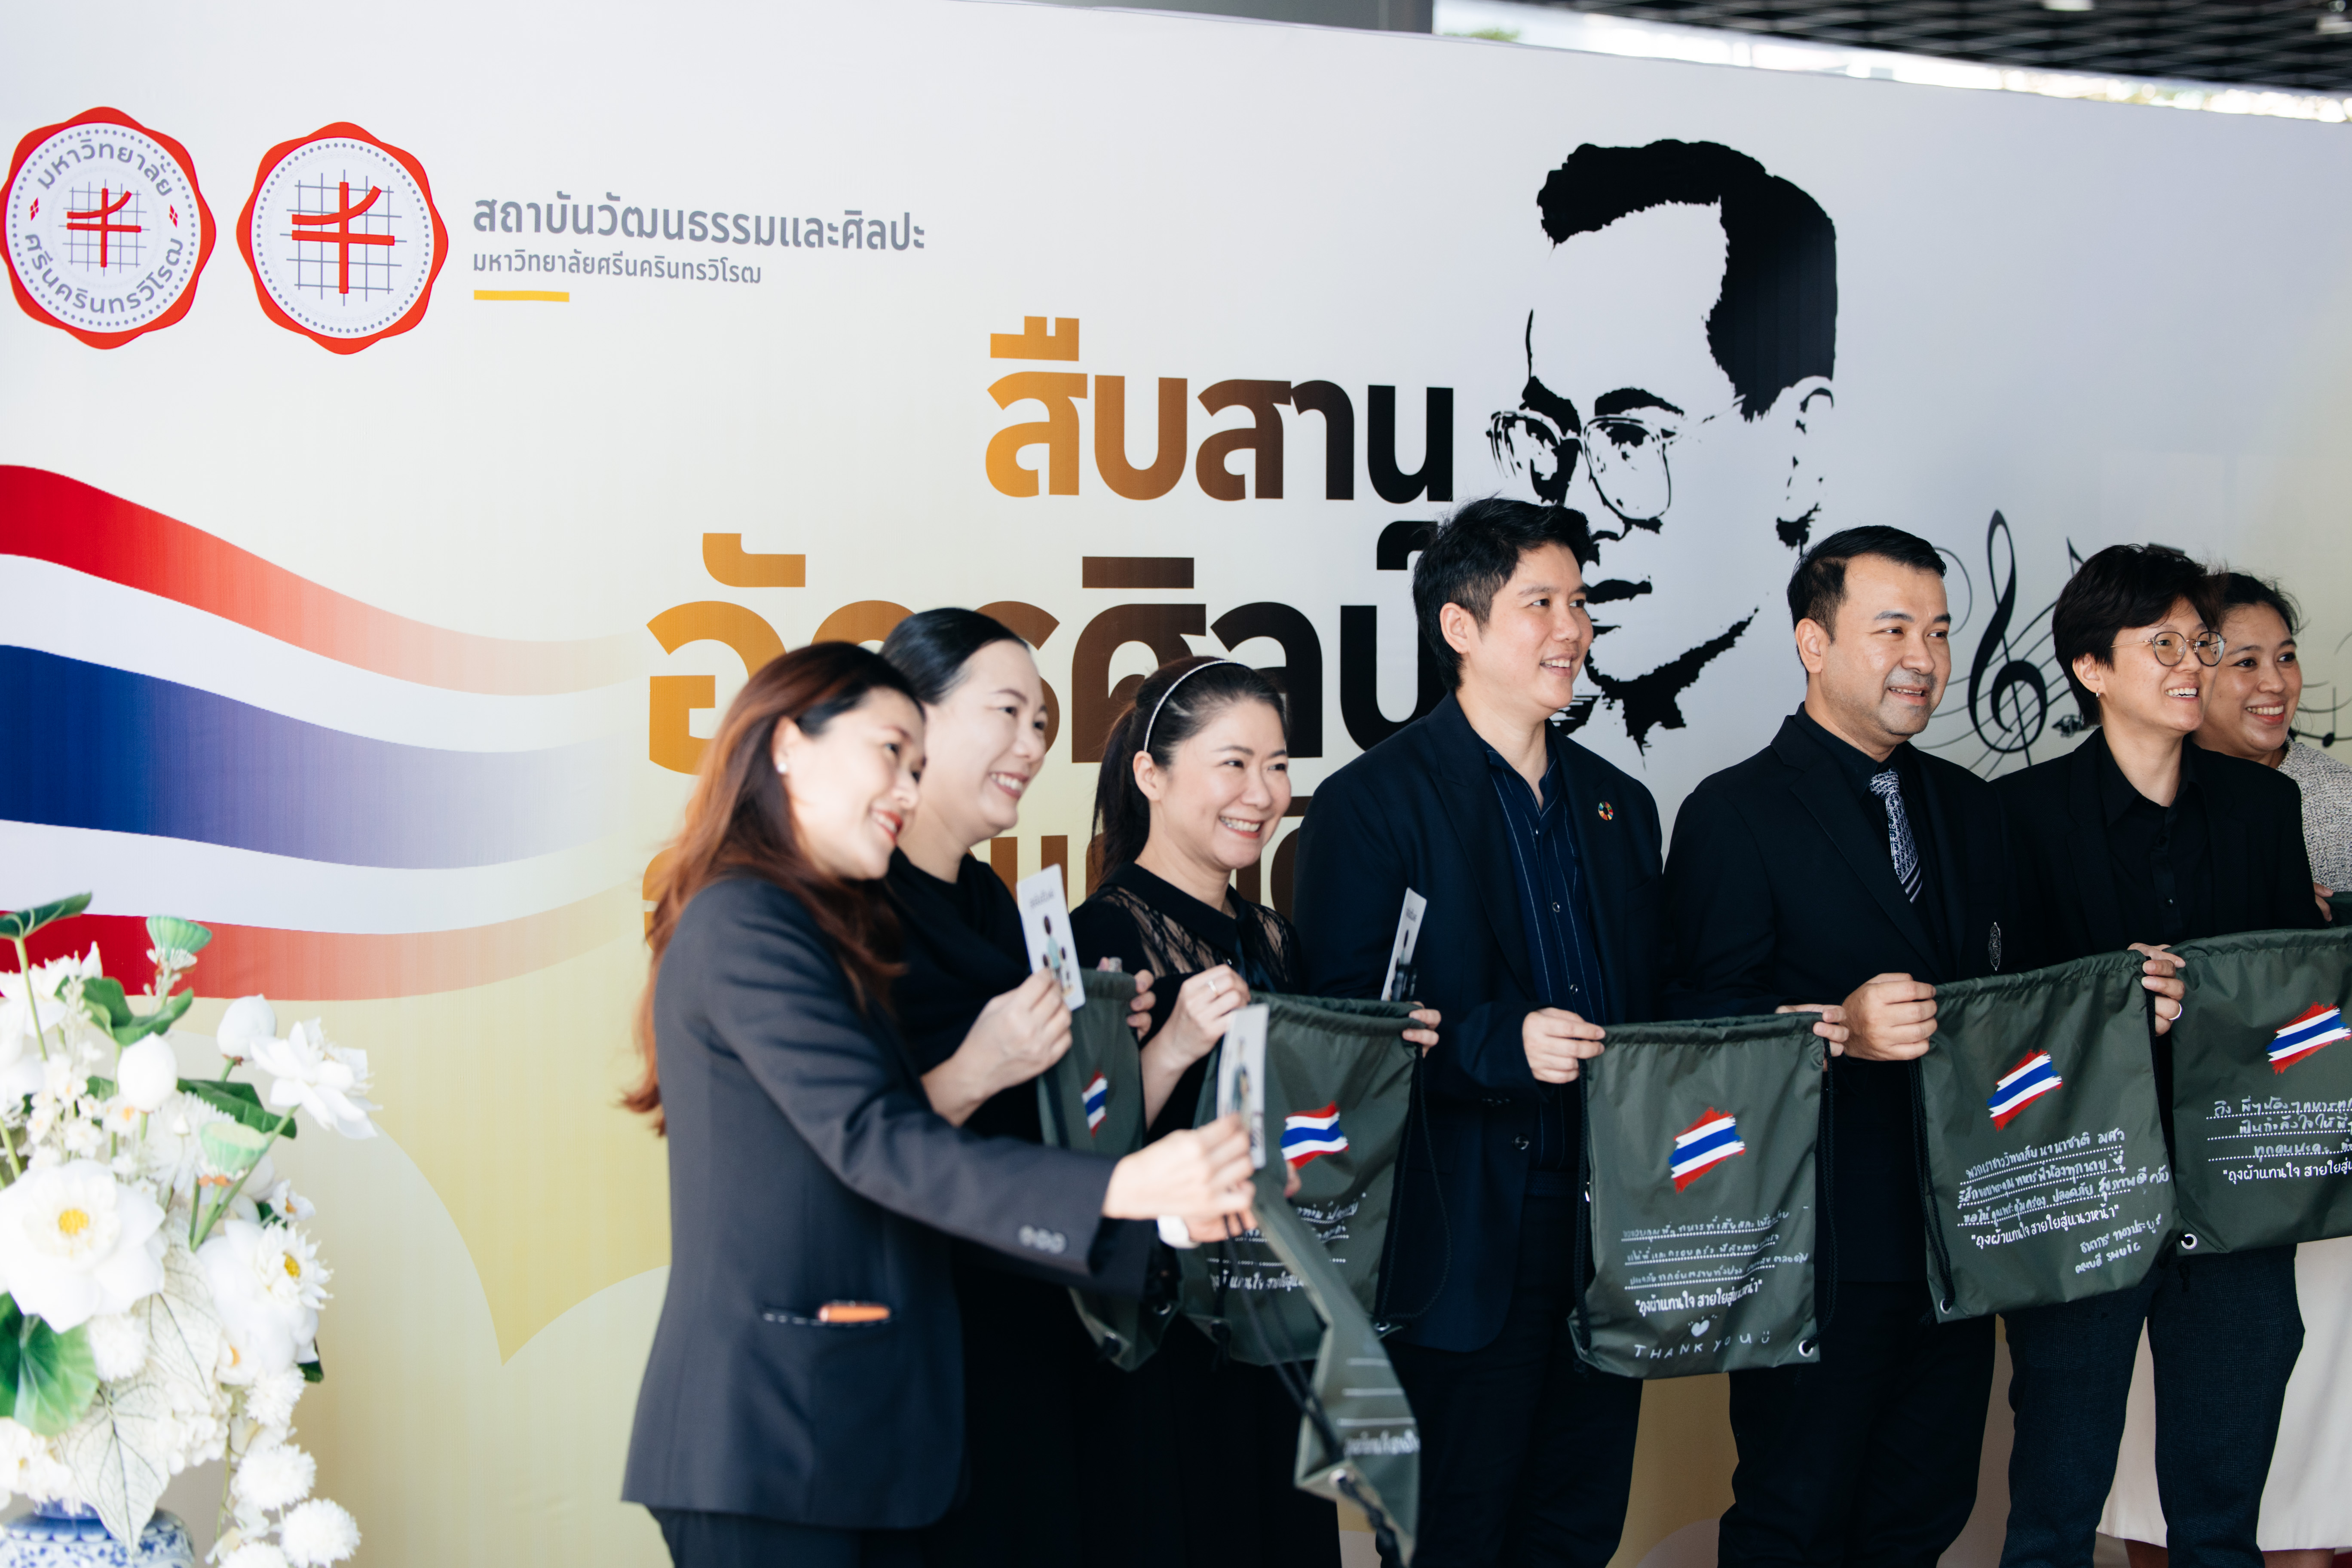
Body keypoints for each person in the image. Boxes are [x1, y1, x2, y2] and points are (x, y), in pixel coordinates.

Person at [620, 642, 1256, 1568]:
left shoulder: (824, 924)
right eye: (890, 754)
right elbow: (881, 1143)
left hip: (862, 1431)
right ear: (789, 746)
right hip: (774, 1436)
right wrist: (1124, 1189)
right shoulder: (747, 920)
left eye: (917, 767)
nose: (907, 791)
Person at [1292, 498, 1668, 1568]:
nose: (1572, 629)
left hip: (1608, 1240)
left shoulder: (1620, 805)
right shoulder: (1371, 803)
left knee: (1577, 1528)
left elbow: (1657, 998)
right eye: (1540, 604)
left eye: (1579, 604)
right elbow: (1340, 1027)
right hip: (1458, 1243)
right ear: (1459, 627)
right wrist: (1497, 1044)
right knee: (1455, 1536)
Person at [1661, 526, 2016, 1568]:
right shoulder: (1734, 811)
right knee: (1795, 1514)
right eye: (1893, 630)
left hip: (1960, 1239)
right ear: (1813, 644)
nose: (1925, 658)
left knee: (1923, 1513)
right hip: (1812, 1245)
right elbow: (1693, 1030)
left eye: (1940, 633)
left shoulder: (1972, 807)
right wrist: (1835, 1033)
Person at [1068, 655, 1440, 1568]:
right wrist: (1174, 1042)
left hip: (1277, 1315)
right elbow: (1080, 1159)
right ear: (1152, 775)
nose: (1263, 793)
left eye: (1277, 766)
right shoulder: (1102, 934)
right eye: (1233, 763)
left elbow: (1304, 1121)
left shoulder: (1273, 935)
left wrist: (1378, 1054)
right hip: (1166, 1333)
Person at [1994, 546, 2319, 1568]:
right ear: (2092, 669)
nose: (2193, 666)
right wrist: (2110, 1003)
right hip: (2083, 1189)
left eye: (2200, 644)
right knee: (2054, 1513)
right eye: (2165, 645)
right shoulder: (2017, 816)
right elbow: (1992, 1020)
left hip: (2236, 1193)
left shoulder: (2263, 810)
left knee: (2221, 1521)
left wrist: (2211, 1002)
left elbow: (2301, 1002)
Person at [875, 608, 1162, 1568]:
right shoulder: (846, 913)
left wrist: (1099, 1040)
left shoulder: (992, 901)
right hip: (914, 1335)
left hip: (1030, 1312)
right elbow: (848, 1143)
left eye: (1042, 722)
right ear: (910, 717)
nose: (1033, 745)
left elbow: (1047, 1115)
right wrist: (984, 1061)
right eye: (1008, 713)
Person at [2103, 573, 2352, 1568]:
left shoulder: (2328, 797)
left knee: (2293, 1437)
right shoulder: (2117, 800)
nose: (2271, 682)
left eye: (2284, 658)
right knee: (2149, 1447)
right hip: (2141, 1176)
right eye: (2238, 658)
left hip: (2293, 1166)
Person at [1485, 138, 1838, 750]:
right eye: (1549, 438)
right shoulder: (1546, 773)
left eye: (1629, 441)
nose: (1580, 514)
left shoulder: (1877, 781)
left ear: (1799, 449)